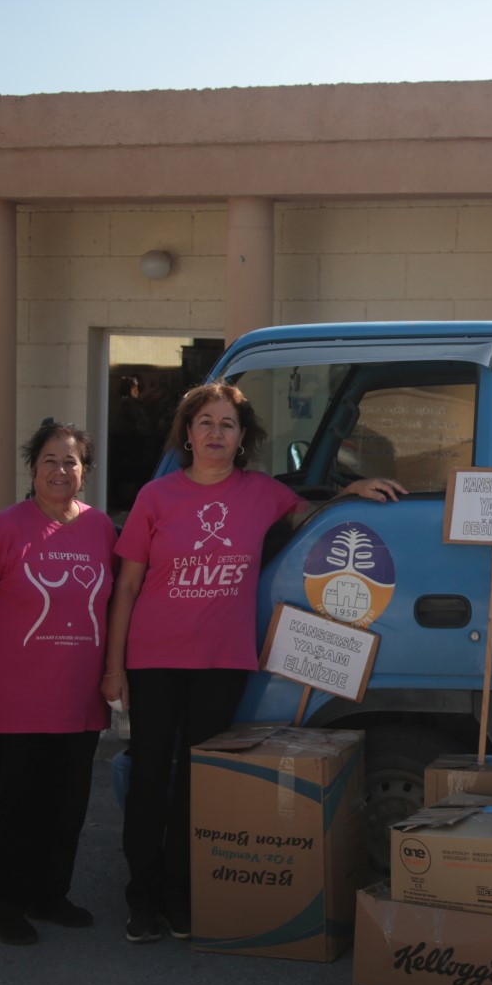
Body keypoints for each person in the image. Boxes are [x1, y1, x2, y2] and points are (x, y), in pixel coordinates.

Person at [104, 382, 403, 943]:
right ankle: (141, 899)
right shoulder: (156, 497)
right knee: (149, 780)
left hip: (222, 661)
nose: (215, 433)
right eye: (205, 422)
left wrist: (353, 490)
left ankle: (180, 897)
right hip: (153, 659)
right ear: (187, 433)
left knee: (197, 784)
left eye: (227, 424)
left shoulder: (263, 492)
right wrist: (113, 667)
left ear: (243, 437)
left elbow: (316, 514)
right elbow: (126, 586)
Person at [0, 421, 116, 945]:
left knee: (66, 807)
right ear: (32, 468)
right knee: (12, 807)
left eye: (71, 461)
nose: (60, 470)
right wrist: (6, 632)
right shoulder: (3, 529)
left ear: (85, 472)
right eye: (50, 460)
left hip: (78, 697)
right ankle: (3, 906)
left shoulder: (102, 529)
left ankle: (50, 895)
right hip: (13, 698)